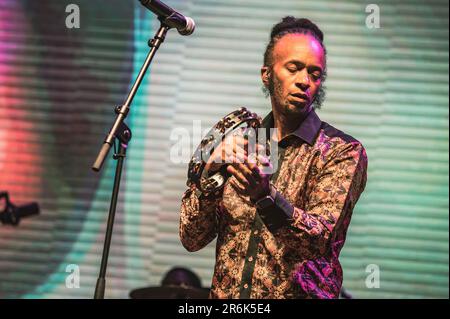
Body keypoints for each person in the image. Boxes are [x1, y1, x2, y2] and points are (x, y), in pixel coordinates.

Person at [179, 16, 368, 299]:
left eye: (315, 74)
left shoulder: (342, 151)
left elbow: (318, 242)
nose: (304, 81)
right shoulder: (242, 140)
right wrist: (210, 172)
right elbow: (191, 238)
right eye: (293, 68)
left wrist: (266, 197)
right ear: (266, 74)